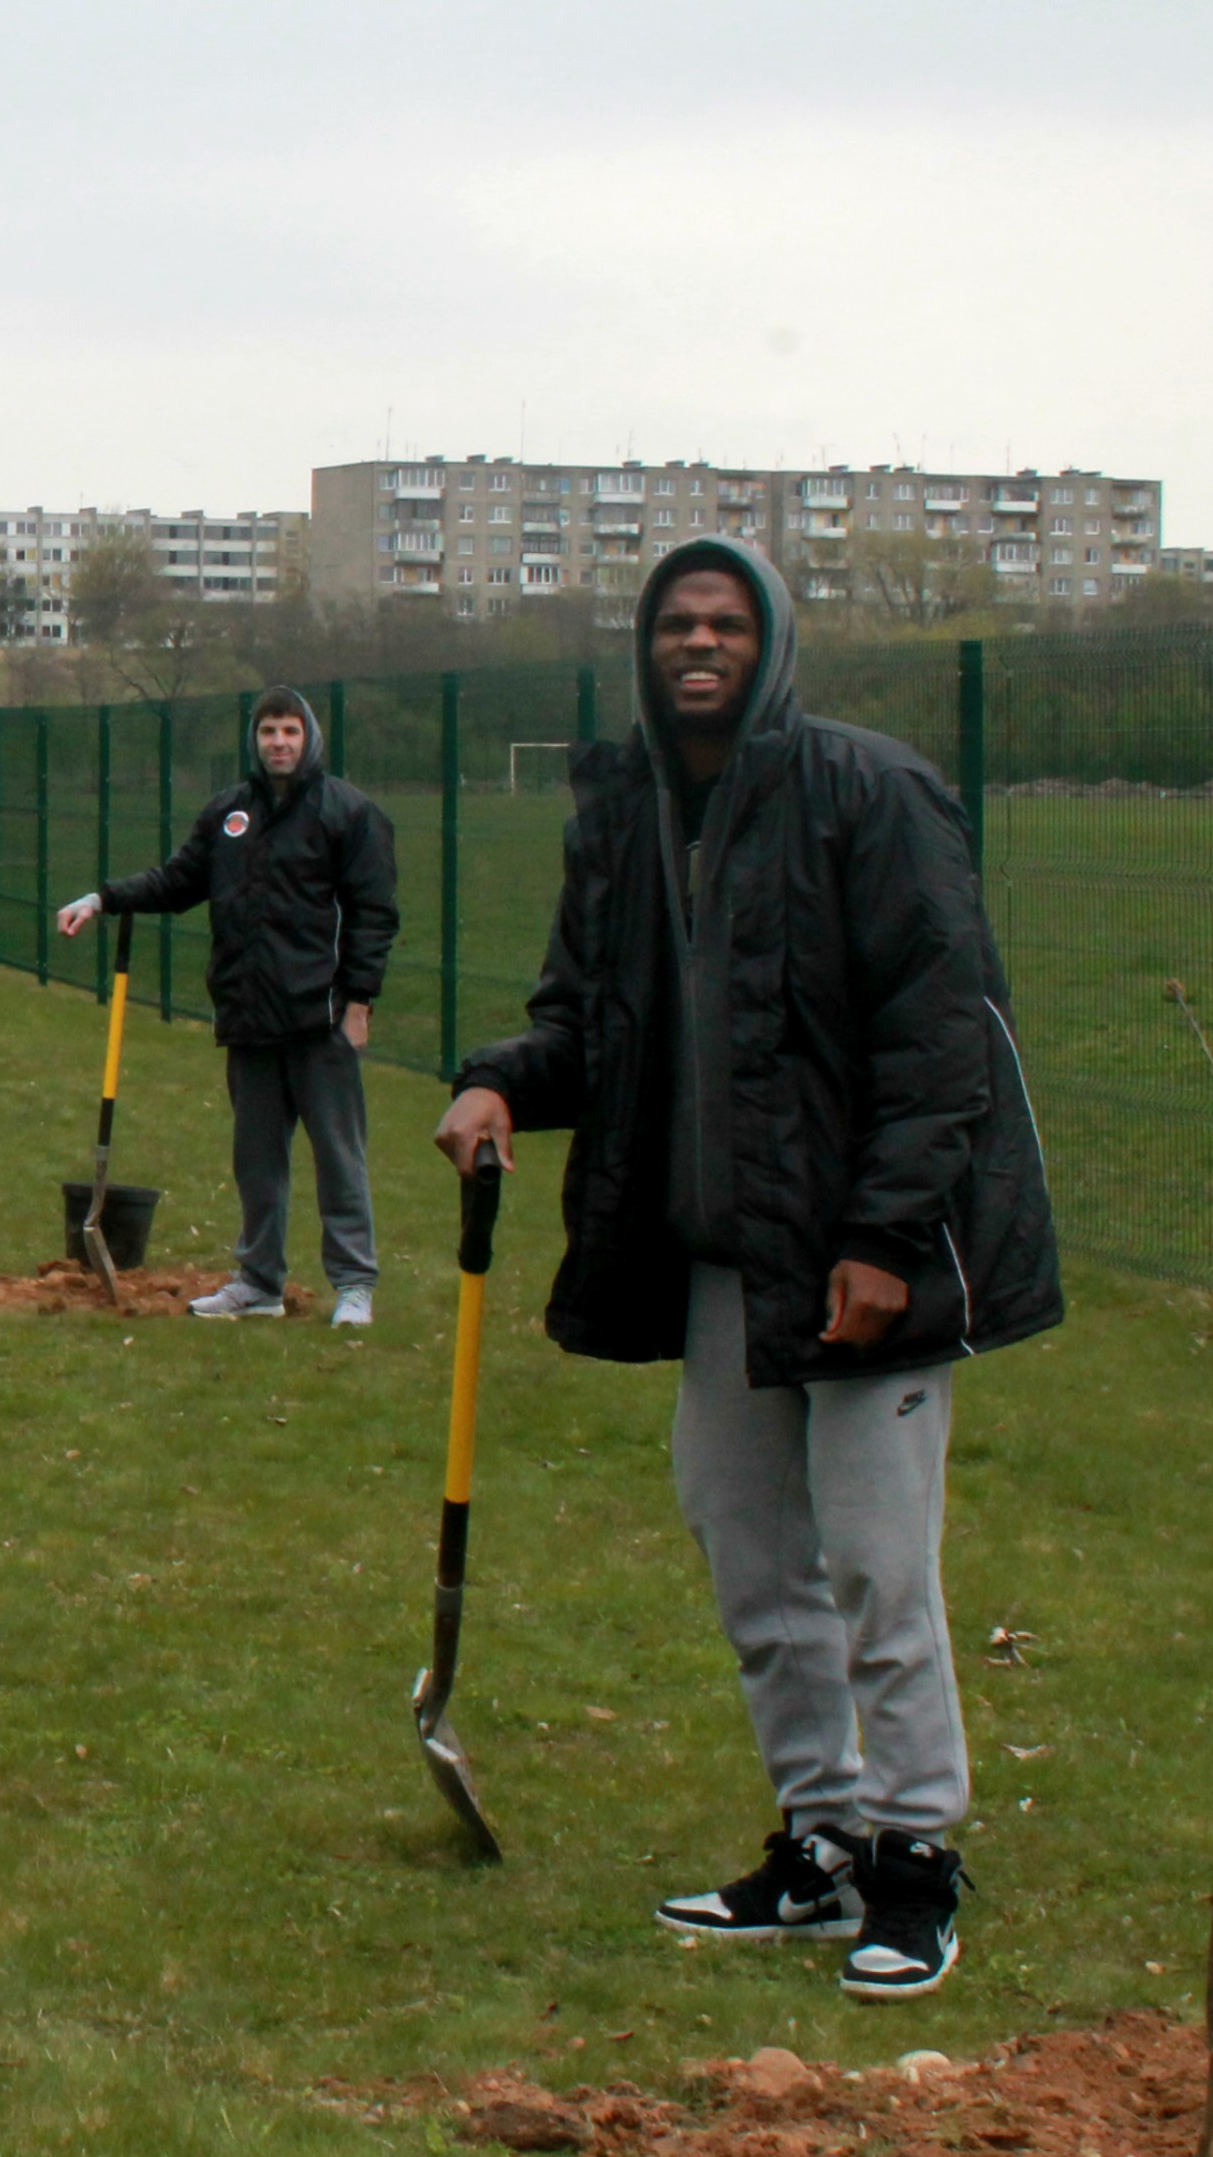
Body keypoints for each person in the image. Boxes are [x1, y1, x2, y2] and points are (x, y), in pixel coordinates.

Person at [435, 538, 1058, 2001]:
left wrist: (886, 1238)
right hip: (728, 1258)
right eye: (674, 623)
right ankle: (824, 1838)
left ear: (769, 641)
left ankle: (918, 1857)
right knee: (749, 1550)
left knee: (875, 1565)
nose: (697, 643)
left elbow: (942, 1037)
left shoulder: (869, 792)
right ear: (647, 647)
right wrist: (500, 1085)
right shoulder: (629, 813)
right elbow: (590, 1017)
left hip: (862, 1263)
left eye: (724, 621)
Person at [59, 686, 395, 1324]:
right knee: (257, 1164)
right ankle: (259, 1284)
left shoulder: (349, 813)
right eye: (269, 731)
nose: (279, 743)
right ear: (255, 738)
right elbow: (177, 880)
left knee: (338, 1157)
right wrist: (103, 899)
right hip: (248, 1017)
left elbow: (374, 916)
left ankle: (354, 1285)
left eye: (291, 731)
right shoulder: (227, 814)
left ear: (309, 737)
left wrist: (359, 1003)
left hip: (320, 1021)